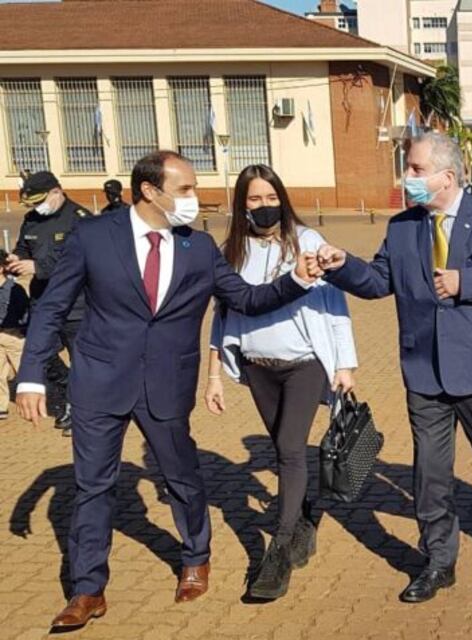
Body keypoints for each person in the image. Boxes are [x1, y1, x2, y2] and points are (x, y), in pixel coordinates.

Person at [14, 150, 321, 631]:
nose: (194, 199)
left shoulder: (197, 248)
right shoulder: (93, 237)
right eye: (185, 190)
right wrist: (30, 374)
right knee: (92, 486)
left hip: (166, 383)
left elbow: (243, 298)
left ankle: (195, 557)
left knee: (180, 477)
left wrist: (297, 280)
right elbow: (52, 308)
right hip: (98, 380)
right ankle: (88, 589)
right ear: (150, 192)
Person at [314, 132, 472, 605]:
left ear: (447, 176)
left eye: (415, 170)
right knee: (431, 472)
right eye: (407, 168)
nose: (406, 178)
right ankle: (438, 560)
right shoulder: (402, 228)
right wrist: (341, 264)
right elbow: (377, 282)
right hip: (424, 370)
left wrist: (465, 283)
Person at [206, 164, 357, 600]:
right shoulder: (230, 250)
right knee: (282, 450)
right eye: (254, 199)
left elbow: (335, 305)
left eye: (271, 198)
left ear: (282, 199)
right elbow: (223, 315)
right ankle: (307, 515)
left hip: (304, 364)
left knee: (291, 448)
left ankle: (279, 548)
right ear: (242, 203)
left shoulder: (306, 242)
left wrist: (344, 365)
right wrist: (214, 375)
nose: (264, 206)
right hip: (257, 366)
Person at [7, 171, 91, 435]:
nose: (36, 207)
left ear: (57, 192)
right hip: (42, 303)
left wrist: (38, 266)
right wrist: (14, 259)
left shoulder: (81, 220)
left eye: (39, 201)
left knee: (83, 361)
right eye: (31, 203)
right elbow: (23, 248)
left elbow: (83, 261)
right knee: (40, 354)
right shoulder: (32, 219)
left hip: (77, 306)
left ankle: (80, 411)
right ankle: (68, 389)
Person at [0, 254, 29, 420]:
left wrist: (22, 329)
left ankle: (33, 402)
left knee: (24, 371)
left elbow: (25, 312)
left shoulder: (15, 289)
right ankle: (1, 406)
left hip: (14, 335)